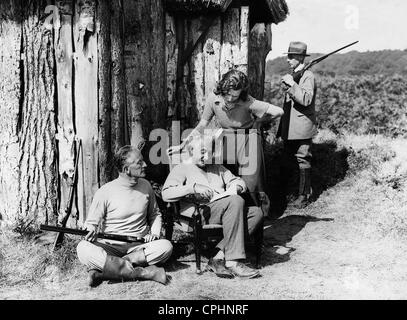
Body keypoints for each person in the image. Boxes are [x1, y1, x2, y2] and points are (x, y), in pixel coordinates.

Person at [169, 69, 283, 212]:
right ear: (223, 88)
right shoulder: (213, 98)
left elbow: (279, 111)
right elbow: (202, 124)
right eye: (228, 94)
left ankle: (256, 215)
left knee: (251, 181)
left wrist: (259, 122)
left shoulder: (248, 101)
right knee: (225, 176)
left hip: (248, 138)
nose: (230, 98)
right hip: (225, 139)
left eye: (235, 96)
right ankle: (230, 213)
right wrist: (182, 145)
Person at [162, 135, 263, 279]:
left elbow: (239, 181)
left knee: (255, 213)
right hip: (200, 214)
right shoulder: (182, 168)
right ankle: (233, 262)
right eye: (203, 151)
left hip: (225, 210)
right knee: (235, 201)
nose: (207, 156)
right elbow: (166, 193)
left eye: (210, 152)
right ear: (191, 150)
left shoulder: (217, 168)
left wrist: (237, 187)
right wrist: (193, 188)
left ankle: (217, 256)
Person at [76, 146, 173, 287]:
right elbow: (92, 223)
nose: (145, 165)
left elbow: (155, 214)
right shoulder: (105, 191)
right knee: (82, 248)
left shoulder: (146, 186)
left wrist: (155, 234)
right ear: (127, 169)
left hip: (139, 247)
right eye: (139, 163)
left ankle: (103, 272)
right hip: (109, 246)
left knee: (166, 246)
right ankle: (143, 272)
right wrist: (90, 231)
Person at [277, 41, 318, 208]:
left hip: (301, 127)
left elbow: (306, 99)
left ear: (300, 58)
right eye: (288, 56)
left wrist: (292, 84)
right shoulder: (296, 74)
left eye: (291, 57)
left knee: (303, 160)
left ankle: (304, 195)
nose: (288, 60)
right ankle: (287, 194)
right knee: (287, 160)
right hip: (290, 126)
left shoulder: (308, 76)